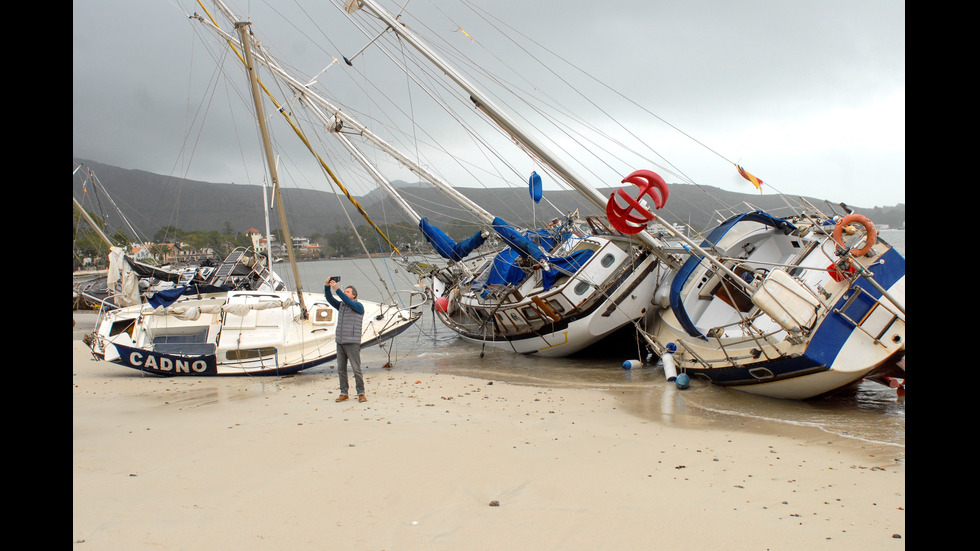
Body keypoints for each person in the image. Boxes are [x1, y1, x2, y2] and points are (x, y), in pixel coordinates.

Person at [325, 277, 366, 403]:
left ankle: (361, 393)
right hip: (341, 341)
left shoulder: (358, 306)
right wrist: (327, 287)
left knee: (356, 369)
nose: (346, 293)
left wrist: (337, 290)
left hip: (352, 341)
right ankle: (344, 392)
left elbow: (348, 302)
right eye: (345, 291)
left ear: (354, 295)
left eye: (348, 291)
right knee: (341, 369)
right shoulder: (342, 305)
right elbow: (330, 299)